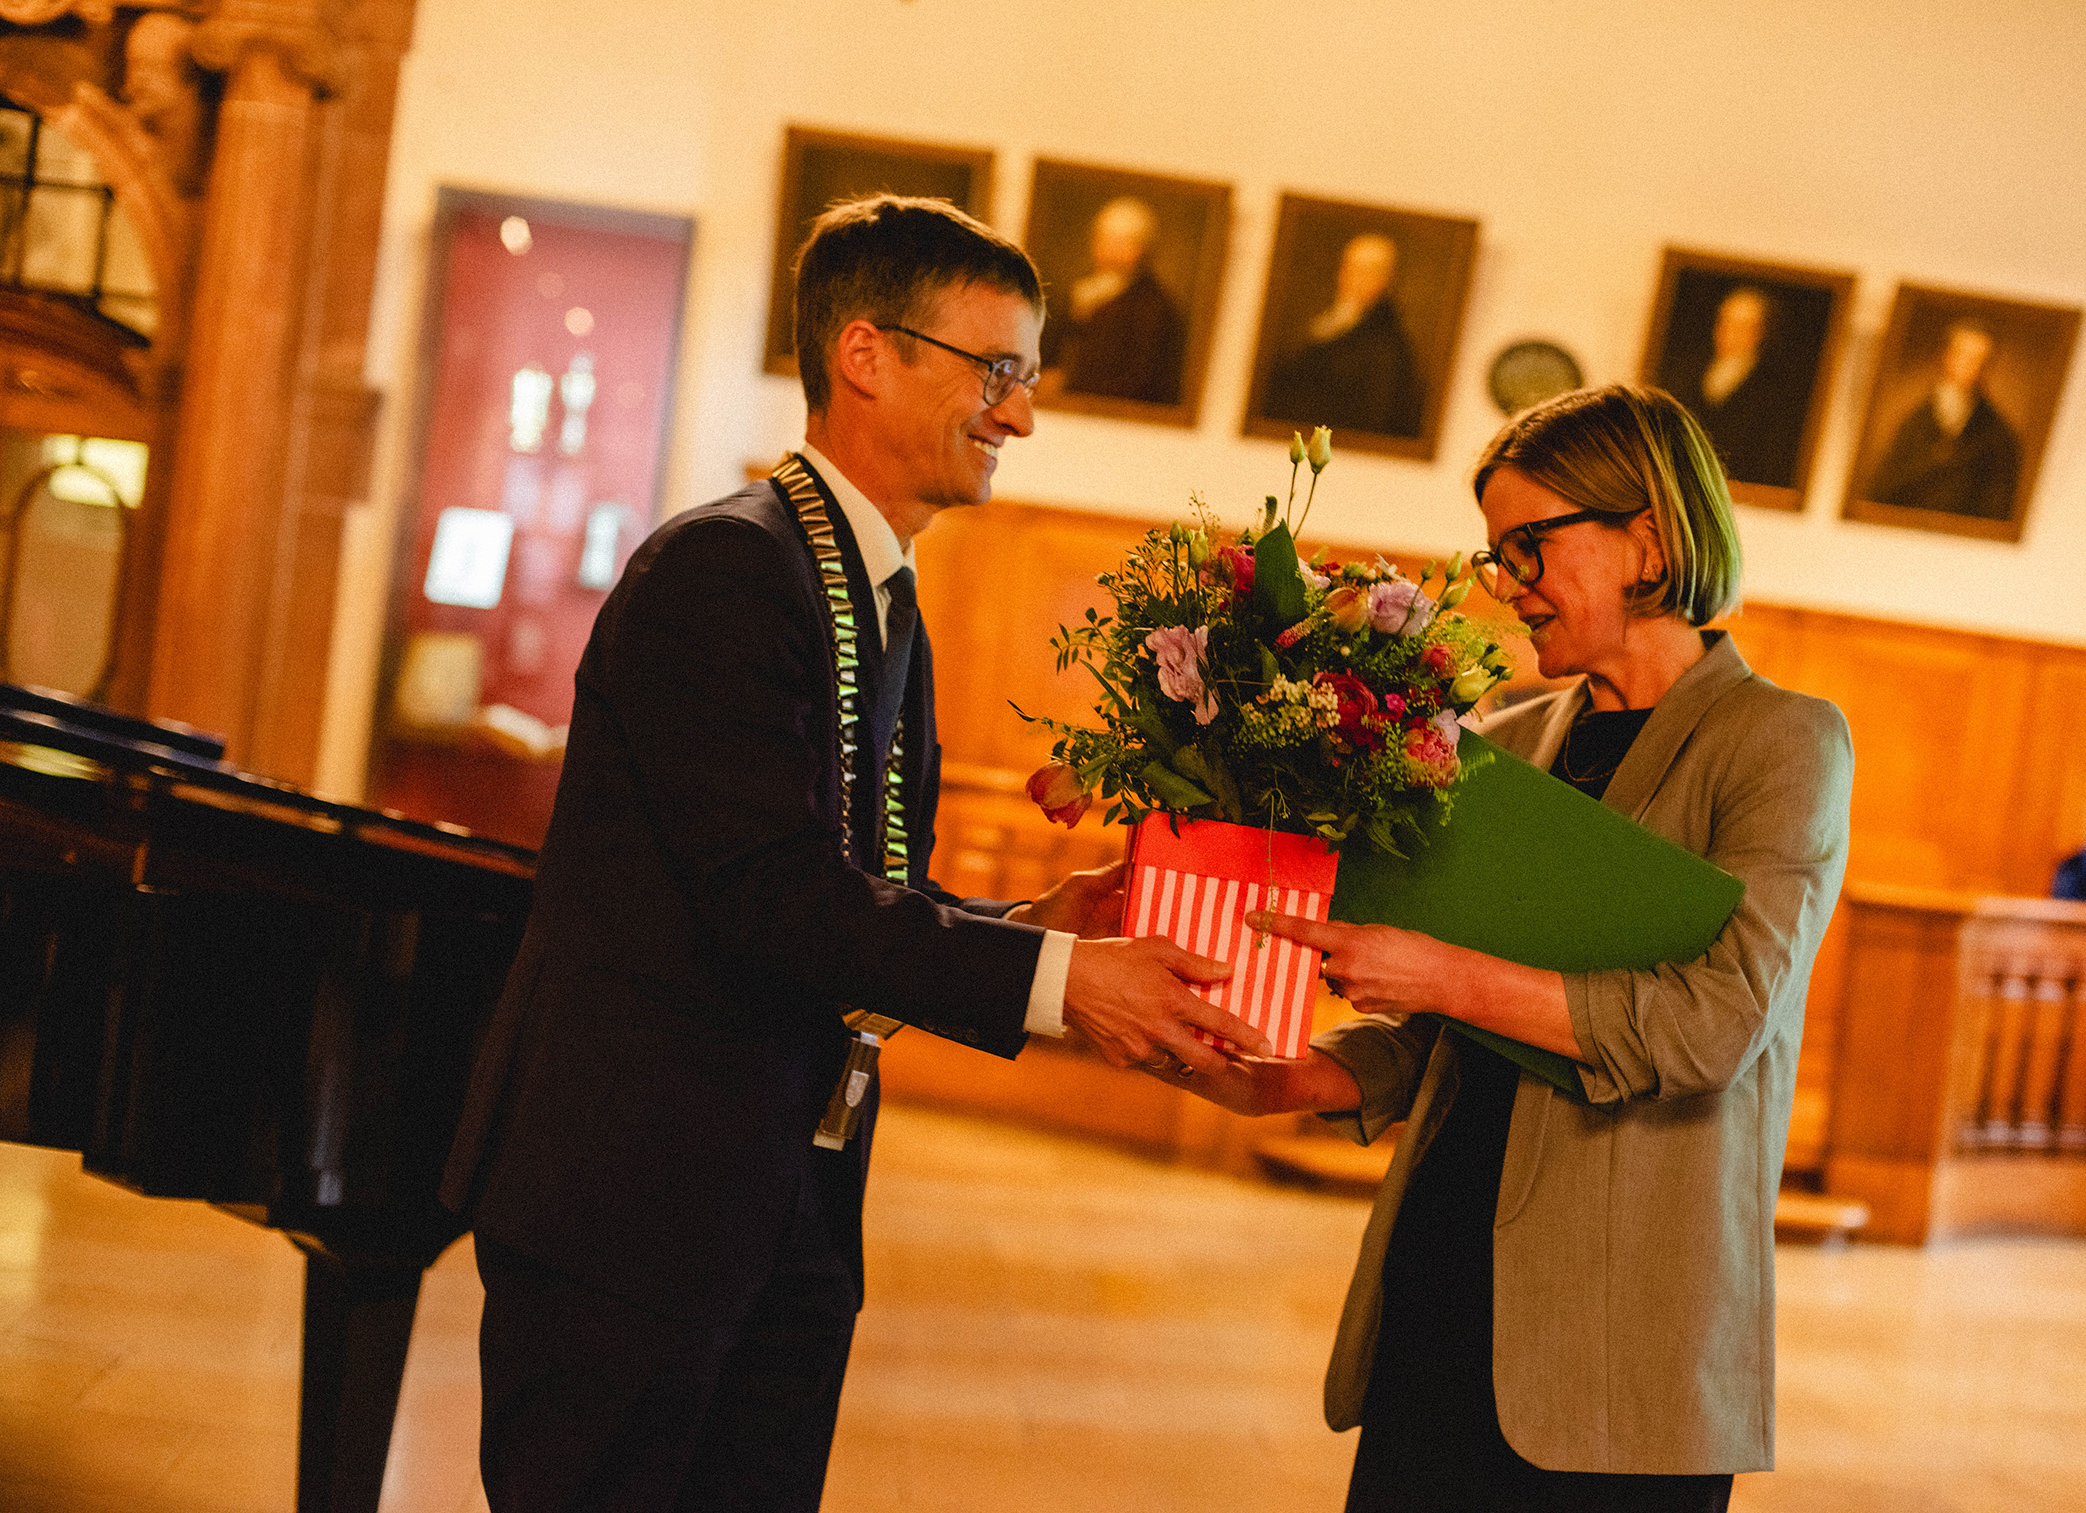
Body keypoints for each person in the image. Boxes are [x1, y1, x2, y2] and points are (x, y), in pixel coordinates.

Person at [438, 194, 1270, 1513]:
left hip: (783, 1201)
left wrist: (1034, 921)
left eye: (1028, 377)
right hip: (638, 1207)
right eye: (996, 372)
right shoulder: (727, 569)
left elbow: (854, 897)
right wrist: (1059, 983)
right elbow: (768, 900)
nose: (1021, 416)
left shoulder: (879, 592)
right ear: (866, 354)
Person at [1157, 385, 1852, 1511]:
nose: (1507, 583)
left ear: (1653, 536)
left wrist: (1434, 971)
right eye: (1494, 554)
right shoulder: (1501, 739)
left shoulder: (1781, 741)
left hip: (1620, 1340)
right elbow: (1448, 1029)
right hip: (1443, 1280)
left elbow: (1713, 1024)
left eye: (1530, 544)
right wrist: (1308, 1074)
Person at [1262, 231, 1423, 437]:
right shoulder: (1325, 320)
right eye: (1350, 268)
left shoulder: (1387, 345)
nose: (1353, 278)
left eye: (1366, 272)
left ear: (1383, 280)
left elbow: (1375, 414)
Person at [1863, 317, 2022, 520]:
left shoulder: (1998, 433)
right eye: (1964, 355)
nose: (1971, 366)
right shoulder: (1914, 422)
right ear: (1947, 356)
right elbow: (1884, 488)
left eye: (1980, 359)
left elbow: (1998, 505)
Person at [1040, 194, 1186, 404]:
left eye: (1124, 244)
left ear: (1145, 250)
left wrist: (1068, 385)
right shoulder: (1078, 289)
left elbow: (1140, 381)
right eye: (1104, 240)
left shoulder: (1155, 308)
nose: (1111, 252)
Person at [1657, 285, 1803, 489]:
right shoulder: (1688, 372)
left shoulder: (1773, 389)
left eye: (1741, 326)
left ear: (1758, 332)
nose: (1728, 332)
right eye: (1725, 322)